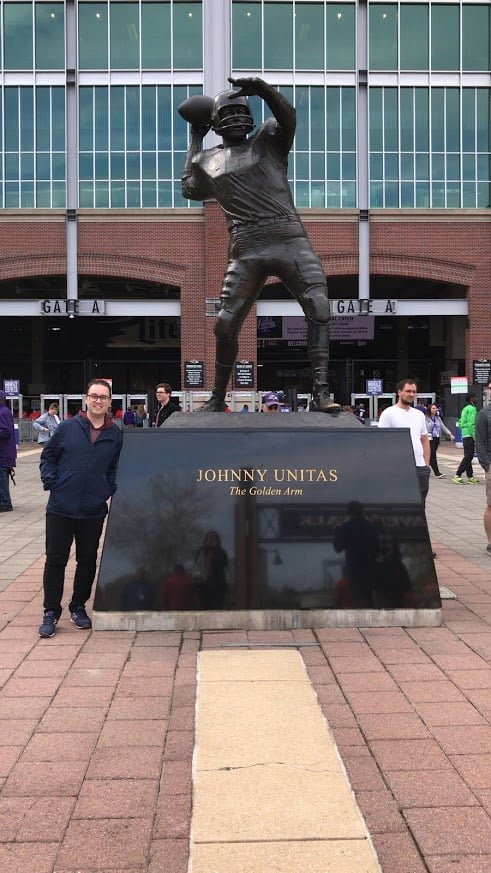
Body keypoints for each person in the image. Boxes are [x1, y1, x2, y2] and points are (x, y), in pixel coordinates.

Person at [181, 77, 335, 413]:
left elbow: (288, 116)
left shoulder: (268, 140)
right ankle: (218, 397)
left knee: (319, 308)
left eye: (241, 110)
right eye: (228, 112)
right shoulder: (207, 160)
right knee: (224, 323)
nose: (236, 117)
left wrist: (263, 90)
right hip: (245, 245)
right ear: (215, 121)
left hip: (288, 238)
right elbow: (190, 189)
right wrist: (195, 138)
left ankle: (321, 394)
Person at [38, 379, 123, 638]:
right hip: (61, 507)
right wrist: (52, 482)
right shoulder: (67, 428)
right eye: (94, 396)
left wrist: (105, 489)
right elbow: (48, 457)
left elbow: (114, 468)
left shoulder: (115, 434)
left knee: (86, 560)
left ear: (110, 402)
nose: (98, 400)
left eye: (103, 397)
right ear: (86, 399)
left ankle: (78, 606)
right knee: (55, 559)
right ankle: (51, 611)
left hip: (92, 509)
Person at [378, 379, 431, 508]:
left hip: (420, 468)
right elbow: (381, 442)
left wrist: (426, 464)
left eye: (414, 391)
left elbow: (424, 440)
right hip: (397, 468)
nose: (411, 394)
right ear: (399, 392)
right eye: (408, 391)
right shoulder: (388, 414)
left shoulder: (419, 415)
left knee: (420, 505)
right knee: (398, 505)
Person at [476, 377, 491, 556]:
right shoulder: (484, 414)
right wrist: (486, 465)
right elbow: (479, 441)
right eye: (489, 388)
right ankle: (490, 542)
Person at [194, 531, 228, 609]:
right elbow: (197, 564)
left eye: (214, 538)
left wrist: (215, 552)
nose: (211, 540)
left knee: (216, 607)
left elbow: (225, 563)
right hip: (203, 586)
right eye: (210, 538)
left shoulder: (221, 552)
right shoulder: (201, 552)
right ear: (206, 540)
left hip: (217, 586)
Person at [453, 393, 479, 484]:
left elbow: (460, 422)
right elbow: (472, 424)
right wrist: (475, 436)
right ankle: (458, 474)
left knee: (468, 455)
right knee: (469, 456)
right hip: (470, 435)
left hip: (465, 434)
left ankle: (470, 476)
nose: (477, 399)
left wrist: (464, 430)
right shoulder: (472, 409)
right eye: (475, 397)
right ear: (471, 399)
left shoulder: (465, 409)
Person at [425, 402, 454, 478]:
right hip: (428, 438)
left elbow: (442, 426)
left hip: (436, 438)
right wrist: (431, 424)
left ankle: (425, 469)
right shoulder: (426, 418)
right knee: (433, 455)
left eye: (436, 408)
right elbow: (426, 428)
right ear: (429, 409)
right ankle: (437, 473)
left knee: (431, 455)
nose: (435, 410)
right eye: (433, 408)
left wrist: (449, 433)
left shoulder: (438, 418)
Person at [0, 390, 16, 513]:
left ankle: (5, 503)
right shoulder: (5, 411)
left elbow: (5, 432)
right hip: (5, 452)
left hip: (3, 453)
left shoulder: (2, 412)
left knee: (2, 478)